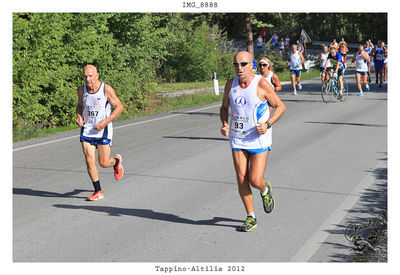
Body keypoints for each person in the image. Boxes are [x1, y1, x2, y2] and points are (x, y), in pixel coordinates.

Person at [219, 51, 286, 232]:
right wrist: (225, 123)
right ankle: (251, 217)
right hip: (238, 138)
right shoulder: (230, 85)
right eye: (236, 64)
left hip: (258, 138)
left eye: (243, 64)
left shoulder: (262, 84)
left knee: (255, 180)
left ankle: (265, 190)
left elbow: (280, 106)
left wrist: (268, 124)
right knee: (242, 179)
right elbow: (224, 108)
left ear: (251, 65)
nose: (239, 68)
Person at [76, 64, 124, 201]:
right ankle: (98, 191)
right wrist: (79, 115)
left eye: (90, 76)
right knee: (89, 159)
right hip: (87, 129)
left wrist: (105, 122)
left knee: (103, 162)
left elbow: (119, 107)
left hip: (103, 129)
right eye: (85, 76)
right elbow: (79, 105)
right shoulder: (81, 90)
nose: (88, 79)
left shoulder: (106, 89)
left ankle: (115, 162)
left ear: (97, 75)